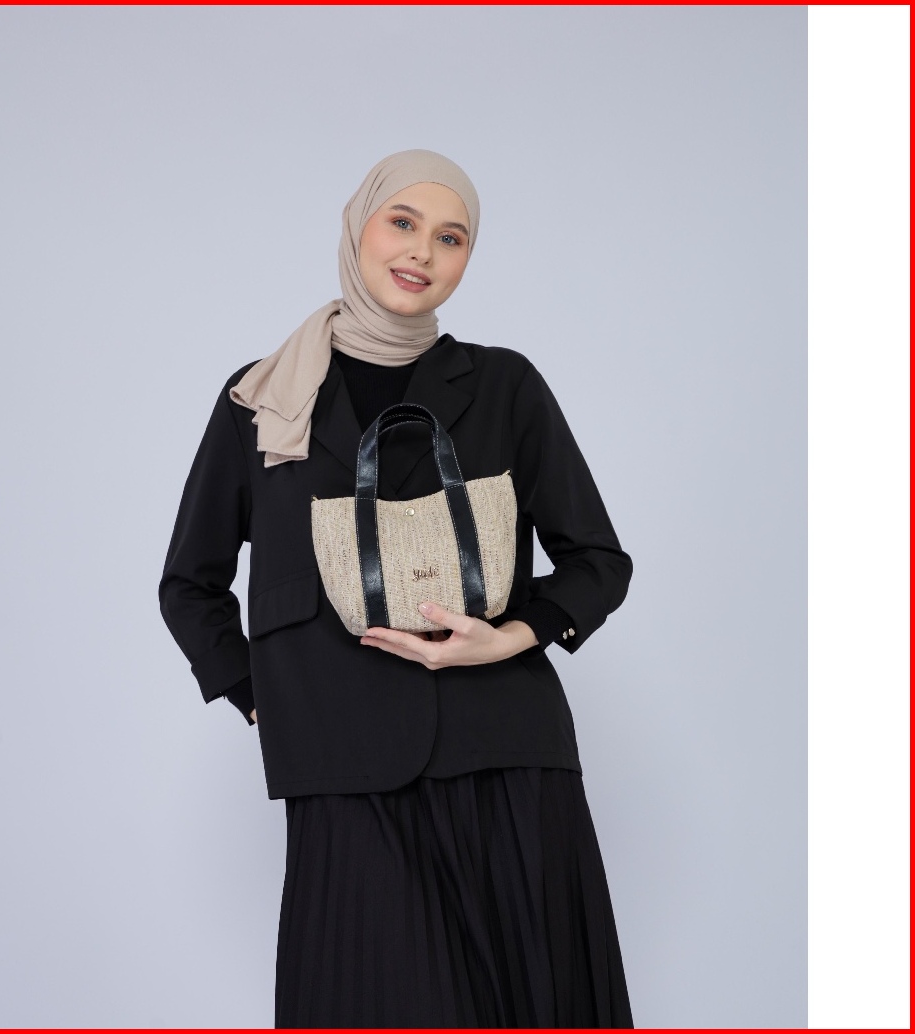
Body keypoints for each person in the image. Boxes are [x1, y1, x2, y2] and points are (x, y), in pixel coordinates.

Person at [158, 149, 634, 1028]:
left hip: (504, 746)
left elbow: (598, 562)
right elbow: (190, 582)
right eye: (404, 223)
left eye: (452, 237)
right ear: (358, 227)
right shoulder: (261, 398)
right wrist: (265, 699)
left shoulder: (504, 384)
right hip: (339, 759)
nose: (423, 251)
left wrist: (512, 637)